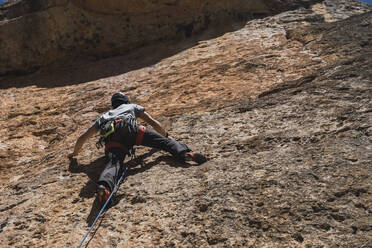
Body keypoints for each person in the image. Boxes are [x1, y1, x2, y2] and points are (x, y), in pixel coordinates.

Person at [68, 92, 207, 205]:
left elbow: (82, 138)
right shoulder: (132, 107)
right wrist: (167, 136)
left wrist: (74, 155)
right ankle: (184, 153)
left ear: (113, 105)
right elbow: (153, 123)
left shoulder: (105, 116)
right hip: (133, 131)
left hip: (113, 139)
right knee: (164, 143)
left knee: (114, 164)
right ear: (126, 101)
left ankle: (104, 187)